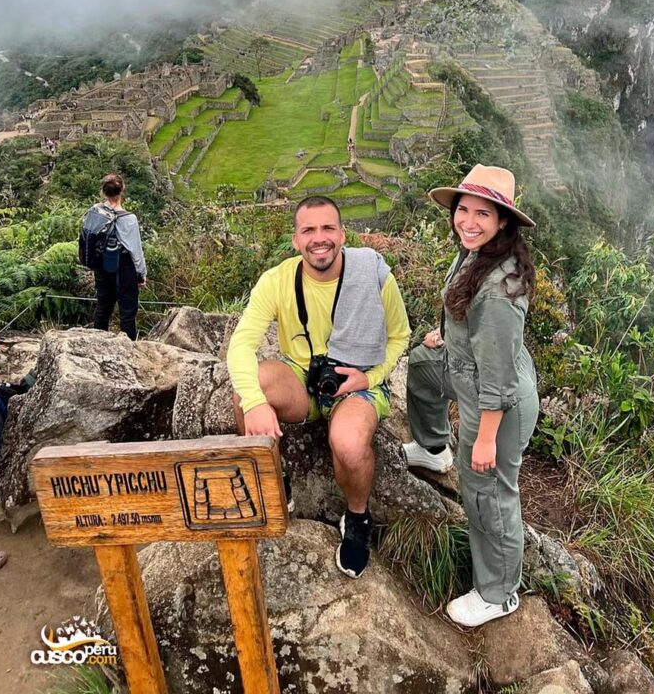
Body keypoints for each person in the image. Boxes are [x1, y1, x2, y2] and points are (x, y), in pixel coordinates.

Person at [227, 195, 410, 578]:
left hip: (357, 380)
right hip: (302, 379)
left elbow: (400, 335)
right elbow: (241, 345)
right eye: (308, 230)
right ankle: (275, 480)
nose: (319, 238)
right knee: (248, 391)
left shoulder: (372, 274)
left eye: (328, 228)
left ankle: (357, 518)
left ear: (342, 233)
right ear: (296, 240)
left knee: (347, 442)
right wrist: (256, 401)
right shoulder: (277, 281)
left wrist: (370, 378)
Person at [402, 164, 539, 627]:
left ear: (503, 221)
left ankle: (500, 592)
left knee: (485, 489)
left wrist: (483, 439)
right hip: (464, 369)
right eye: (464, 210)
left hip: (496, 400)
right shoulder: (473, 254)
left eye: (484, 213)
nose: (469, 221)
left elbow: (497, 378)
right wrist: (445, 336)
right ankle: (431, 448)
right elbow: (463, 312)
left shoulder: (501, 289)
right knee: (421, 367)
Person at [85, 174, 147, 341]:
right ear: (122, 190)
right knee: (127, 311)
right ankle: (129, 349)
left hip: (102, 265)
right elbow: (135, 250)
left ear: (103, 192)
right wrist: (141, 274)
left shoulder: (95, 211)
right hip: (124, 267)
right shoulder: (129, 219)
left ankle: (98, 343)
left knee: (103, 306)